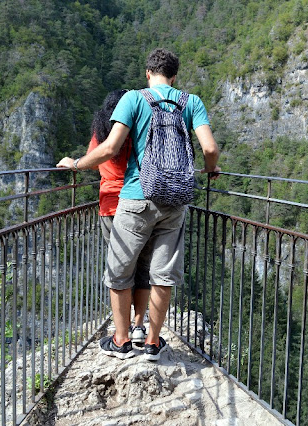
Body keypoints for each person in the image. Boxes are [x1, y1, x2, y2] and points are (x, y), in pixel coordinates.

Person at [57, 48, 221, 361]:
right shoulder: (192, 102)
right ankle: (151, 342)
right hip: (174, 200)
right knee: (161, 274)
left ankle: (120, 341)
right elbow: (209, 147)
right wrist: (211, 168)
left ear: (148, 73)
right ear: (175, 76)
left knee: (119, 271)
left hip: (135, 197)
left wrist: (76, 163)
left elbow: (109, 148)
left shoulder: (134, 98)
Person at [86, 89, 149, 347]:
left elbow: (94, 160)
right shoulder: (137, 130)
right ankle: (138, 326)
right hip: (139, 203)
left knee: (120, 270)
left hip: (111, 206)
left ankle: (119, 334)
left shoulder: (101, 132)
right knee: (142, 268)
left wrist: (75, 163)